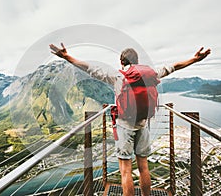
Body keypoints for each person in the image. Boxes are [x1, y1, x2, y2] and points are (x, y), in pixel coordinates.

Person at [50, 43, 211, 196]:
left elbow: (89, 68)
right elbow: (174, 67)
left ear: (121, 62)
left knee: (126, 170)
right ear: (137, 62)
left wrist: (67, 57)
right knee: (144, 167)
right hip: (143, 124)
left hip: (124, 126)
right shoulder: (151, 74)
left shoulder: (117, 76)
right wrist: (195, 59)